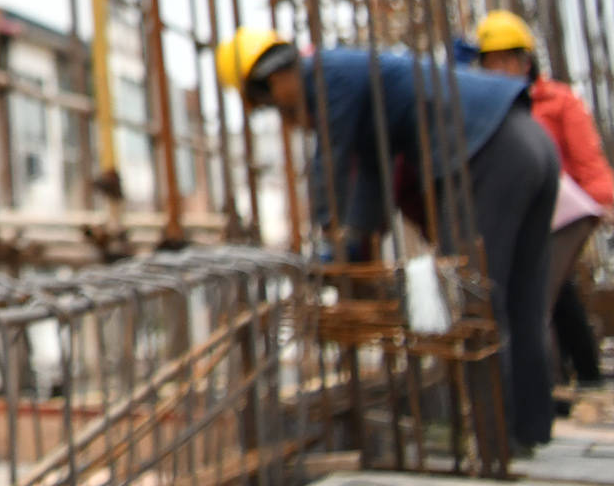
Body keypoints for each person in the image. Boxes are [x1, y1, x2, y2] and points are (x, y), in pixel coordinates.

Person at [220, 27, 559, 455]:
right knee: (522, 298)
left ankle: (498, 440)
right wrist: (354, 240)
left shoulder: (325, 76)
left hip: (485, 152)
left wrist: (327, 231)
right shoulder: (357, 78)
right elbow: (373, 172)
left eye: (274, 106)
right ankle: (530, 427)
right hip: (530, 142)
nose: (287, 118)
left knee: (475, 299)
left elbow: (331, 161)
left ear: (273, 79)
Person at [473, 10, 611, 394]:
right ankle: (581, 375)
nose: (500, 70)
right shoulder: (487, 111)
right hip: (523, 216)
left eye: (507, 60)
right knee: (554, 292)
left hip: (565, 213)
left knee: (543, 294)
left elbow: (587, 156)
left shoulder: (557, 101)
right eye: (491, 62)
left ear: (526, 61)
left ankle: (559, 383)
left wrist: (603, 199)